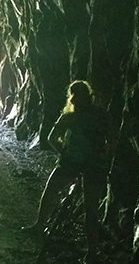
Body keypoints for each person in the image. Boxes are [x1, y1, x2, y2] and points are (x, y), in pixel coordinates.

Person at [23, 80, 117, 263]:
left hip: (71, 163)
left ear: (72, 98)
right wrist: (104, 153)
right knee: (91, 210)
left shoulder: (70, 117)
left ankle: (40, 225)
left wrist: (64, 152)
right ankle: (92, 252)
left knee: (51, 190)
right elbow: (113, 138)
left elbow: (51, 138)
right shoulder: (101, 115)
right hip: (94, 166)